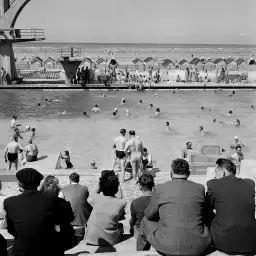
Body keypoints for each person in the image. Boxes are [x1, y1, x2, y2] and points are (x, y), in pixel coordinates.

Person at [137, 158, 212, 254]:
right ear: (188, 173)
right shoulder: (200, 188)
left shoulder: (160, 188)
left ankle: (140, 253)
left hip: (168, 246)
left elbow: (149, 214)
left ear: (171, 172)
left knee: (145, 221)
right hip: (199, 246)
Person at [4, 168, 64, 256]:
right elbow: (57, 223)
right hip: (47, 248)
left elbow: (11, 229)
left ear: (20, 183)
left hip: (22, 250)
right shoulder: (50, 199)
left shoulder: (9, 202)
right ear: (39, 183)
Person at [206, 158, 256, 255]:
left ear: (223, 172)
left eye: (216, 172)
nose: (215, 175)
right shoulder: (250, 183)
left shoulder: (213, 184)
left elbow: (208, 206)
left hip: (224, 243)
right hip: (251, 242)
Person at [85, 170, 127, 246]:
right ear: (117, 187)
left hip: (90, 239)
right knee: (120, 226)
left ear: (101, 187)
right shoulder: (122, 203)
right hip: (110, 240)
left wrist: (100, 185)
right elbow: (116, 218)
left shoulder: (96, 198)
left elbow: (92, 195)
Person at [40, 175, 76, 253]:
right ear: (57, 191)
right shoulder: (64, 204)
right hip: (60, 239)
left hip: (41, 238)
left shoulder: (37, 202)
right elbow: (71, 218)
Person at [62, 173, 92, 243]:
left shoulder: (64, 189)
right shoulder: (85, 188)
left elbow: (59, 200)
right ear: (78, 180)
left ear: (70, 180)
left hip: (69, 219)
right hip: (82, 219)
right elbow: (86, 198)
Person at [130, 174, 154, 238]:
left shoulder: (135, 203)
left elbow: (133, 221)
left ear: (140, 187)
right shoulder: (159, 200)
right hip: (155, 231)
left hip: (141, 233)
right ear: (153, 185)